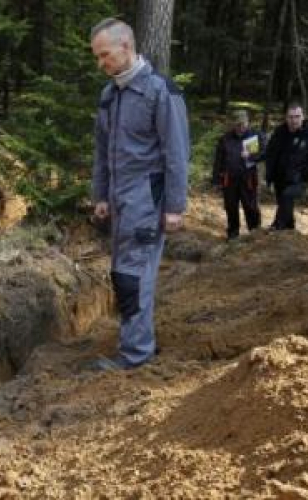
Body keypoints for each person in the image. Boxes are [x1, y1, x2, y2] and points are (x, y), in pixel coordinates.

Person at [90, 18, 190, 370]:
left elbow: (176, 152)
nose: (101, 63)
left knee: (133, 275)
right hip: (118, 202)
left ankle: (135, 355)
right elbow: (102, 152)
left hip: (147, 201)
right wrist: (100, 195)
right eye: (97, 57)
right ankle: (137, 340)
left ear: (126, 48)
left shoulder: (161, 91)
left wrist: (176, 206)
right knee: (123, 272)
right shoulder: (109, 95)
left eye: (105, 55)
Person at [265, 103, 308, 230]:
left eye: (297, 116)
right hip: (280, 177)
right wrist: (269, 174)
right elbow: (270, 152)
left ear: (303, 117)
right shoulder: (279, 132)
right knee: (284, 203)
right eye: (290, 117)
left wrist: (307, 171)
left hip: (300, 178)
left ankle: (277, 226)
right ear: (286, 118)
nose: (294, 120)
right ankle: (289, 229)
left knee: (287, 196)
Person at [211, 109, 265, 240]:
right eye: (238, 125)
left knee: (250, 206)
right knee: (230, 206)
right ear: (233, 124)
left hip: (248, 179)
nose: (241, 127)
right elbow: (218, 160)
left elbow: (264, 154)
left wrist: (251, 155)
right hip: (229, 179)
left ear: (248, 122)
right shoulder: (225, 139)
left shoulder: (254, 136)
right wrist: (216, 180)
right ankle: (233, 235)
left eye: (243, 124)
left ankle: (255, 233)